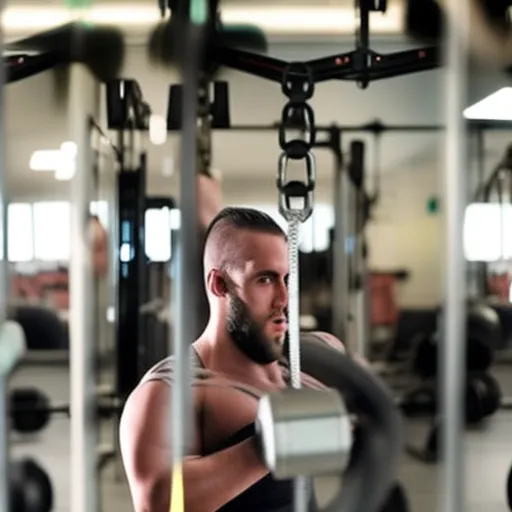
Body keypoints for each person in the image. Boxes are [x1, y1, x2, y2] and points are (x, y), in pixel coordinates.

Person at [120, 206, 347, 512]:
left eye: (286, 279)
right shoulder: (172, 391)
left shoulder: (314, 357)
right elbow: (157, 503)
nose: (283, 299)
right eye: (264, 279)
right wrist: (266, 447)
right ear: (219, 284)